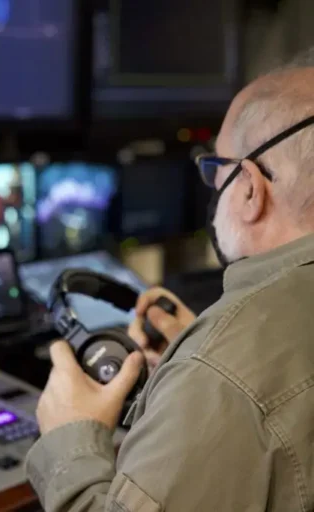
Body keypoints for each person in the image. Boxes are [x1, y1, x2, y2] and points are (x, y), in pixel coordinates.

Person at [25, 48, 314, 511]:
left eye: (216, 169)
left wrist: (69, 439)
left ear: (250, 190)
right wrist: (187, 378)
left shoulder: (222, 370)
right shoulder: (222, 367)